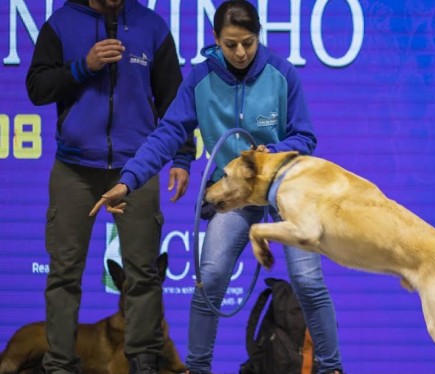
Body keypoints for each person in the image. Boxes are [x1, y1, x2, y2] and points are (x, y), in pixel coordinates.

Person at [90, 1, 344, 373]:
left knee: (307, 279)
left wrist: (268, 154)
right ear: (215, 40)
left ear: (259, 37)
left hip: (288, 193)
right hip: (233, 197)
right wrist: (128, 181)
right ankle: (197, 367)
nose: (240, 52)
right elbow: (168, 134)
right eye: (231, 44)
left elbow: (304, 137)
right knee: (208, 279)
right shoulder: (200, 78)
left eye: (248, 43)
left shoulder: (281, 73)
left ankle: (331, 367)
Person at [26, 0, 195, 373]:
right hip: (74, 168)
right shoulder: (61, 24)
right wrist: (82, 66)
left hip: (138, 166)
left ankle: (144, 362)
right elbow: (37, 88)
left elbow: (175, 102)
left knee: (143, 273)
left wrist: (182, 158)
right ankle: (59, 364)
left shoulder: (152, 26)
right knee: (64, 273)